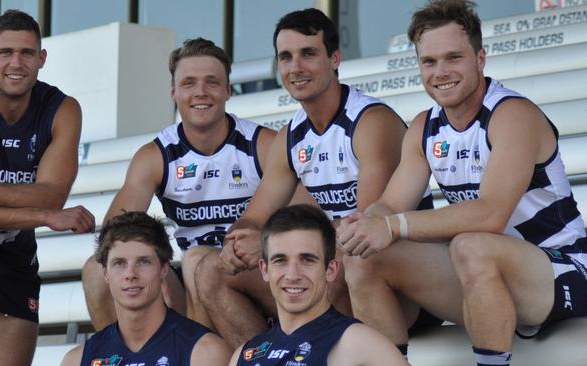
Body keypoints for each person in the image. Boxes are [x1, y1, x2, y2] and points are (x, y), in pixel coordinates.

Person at [336, 0, 587, 365]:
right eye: (429, 61)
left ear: (480, 59)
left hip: (561, 269)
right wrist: (365, 225)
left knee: (472, 245)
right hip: (484, 272)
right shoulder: (424, 127)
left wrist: (392, 226)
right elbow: (389, 205)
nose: (441, 71)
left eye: (454, 57)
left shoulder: (512, 114)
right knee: (362, 257)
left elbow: (491, 215)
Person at [195, 8, 433, 349]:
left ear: (334, 58)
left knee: (339, 259)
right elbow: (253, 217)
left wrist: (265, 238)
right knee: (211, 271)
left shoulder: (370, 121)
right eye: (286, 57)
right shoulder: (290, 136)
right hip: (336, 271)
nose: (296, 67)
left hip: (397, 283)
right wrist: (241, 240)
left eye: (308, 54)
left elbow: (365, 228)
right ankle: (273, 357)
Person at [81, 37, 301, 332]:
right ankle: (120, 357)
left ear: (227, 90)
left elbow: (306, 213)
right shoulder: (155, 156)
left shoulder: (261, 144)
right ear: (173, 92)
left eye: (212, 82)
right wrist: (155, 262)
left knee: (199, 261)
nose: (201, 92)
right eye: (189, 83)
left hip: (253, 273)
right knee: (97, 271)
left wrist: (261, 242)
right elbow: (114, 233)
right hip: (188, 282)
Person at [0, 10, 95, 366]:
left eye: (26, 52)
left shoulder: (62, 109)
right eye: (6, 52)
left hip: (15, 253)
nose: (16, 62)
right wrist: (42, 215)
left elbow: (53, 194)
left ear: (41, 59)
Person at [229, 204, 408, 366]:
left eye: (307, 260)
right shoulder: (244, 355)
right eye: (280, 260)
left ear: (330, 269)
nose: (292, 275)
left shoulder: (358, 343)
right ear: (264, 270)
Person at [61, 212, 230, 366]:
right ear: (105, 273)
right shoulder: (76, 360)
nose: (131, 274)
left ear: (164, 269)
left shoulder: (206, 353)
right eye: (119, 263)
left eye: (143, 262)